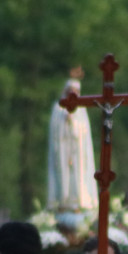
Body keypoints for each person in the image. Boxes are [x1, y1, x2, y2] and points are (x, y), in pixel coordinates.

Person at [47, 77, 98, 211]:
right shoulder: (58, 108)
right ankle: (62, 202)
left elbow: (84, 133)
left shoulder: (81, 109)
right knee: (63, 176)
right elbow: (55, 132)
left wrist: (73, 123)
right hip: (63, 150)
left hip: (77, 151)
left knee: (78, 176)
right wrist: (65, 122)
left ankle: (79, 202)